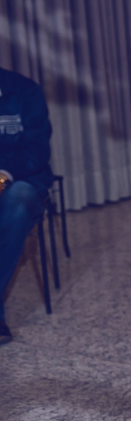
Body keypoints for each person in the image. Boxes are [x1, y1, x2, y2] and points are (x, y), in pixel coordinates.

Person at [0, 66, 53, 346]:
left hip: (22, 179)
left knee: (18, 200)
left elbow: (38, 148)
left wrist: (4, 174)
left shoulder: (25, 91)